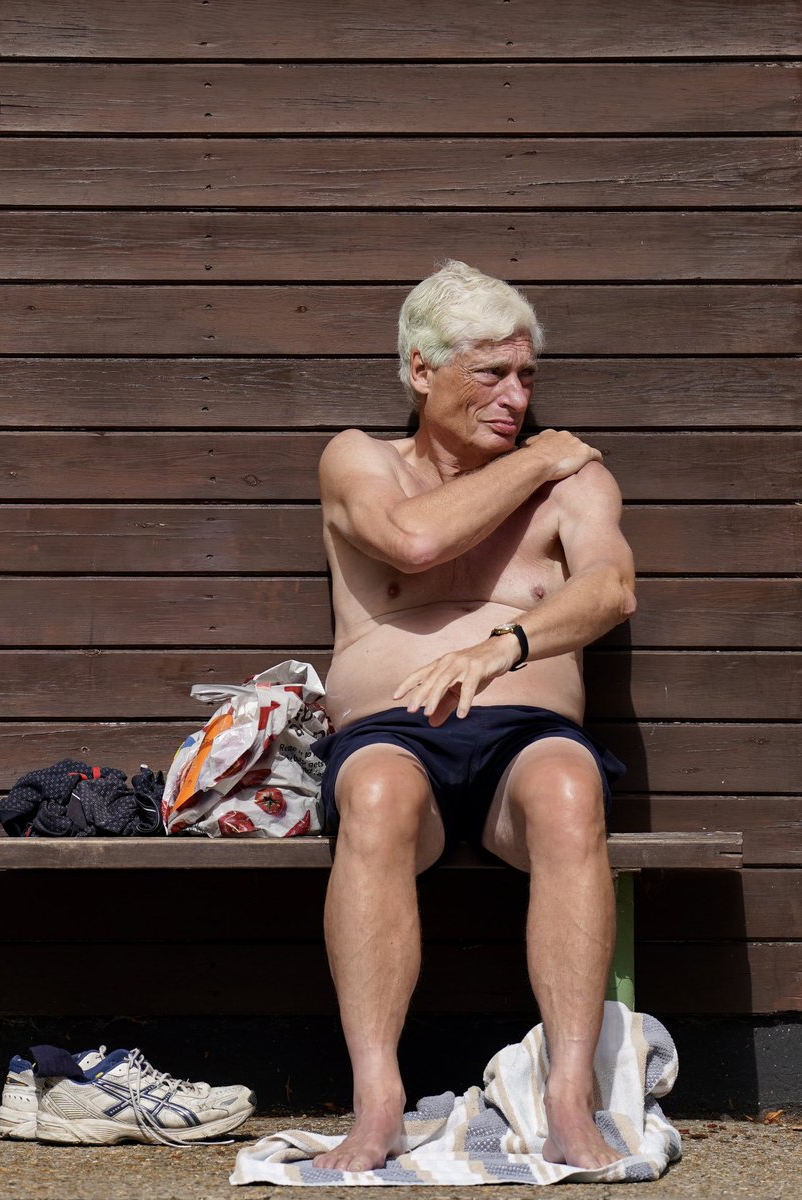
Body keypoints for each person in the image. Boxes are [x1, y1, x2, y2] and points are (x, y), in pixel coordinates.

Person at [312, 260, 636, 1173]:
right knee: (373, 794)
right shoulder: (359, 459)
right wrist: (536, 454)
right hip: (389, 735)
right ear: (421, 372)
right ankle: (376, 1101)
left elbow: (610, 588)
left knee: (572, 792)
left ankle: (569, 1099)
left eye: (527, 376)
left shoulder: (573, 479)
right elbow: (412, 541)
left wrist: (505, 648)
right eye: (490, 374)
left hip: (524, 738)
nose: (516, 395)